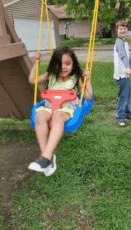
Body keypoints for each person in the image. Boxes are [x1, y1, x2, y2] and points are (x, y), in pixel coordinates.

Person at [28, 47, 92, 176]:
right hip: (49, 107)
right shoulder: (50, 75)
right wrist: (36, 63)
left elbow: (88, 96)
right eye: (59, 64)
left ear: (73, 64)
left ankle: (46, 157)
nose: (63, 67)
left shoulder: (75, 77)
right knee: (39, 116)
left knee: (57, 116)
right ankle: (47, 157)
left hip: (66, 110)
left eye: (67, 64)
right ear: (53, 65)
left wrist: (88, 79)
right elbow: (32, 81)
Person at [113, 20, 131, 127]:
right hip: (121, 75)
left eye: (125, 28)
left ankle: (127, 114)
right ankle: (120, 117)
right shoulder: (119, 42)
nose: (123, 30)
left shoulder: (124, 42)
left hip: (126, 74)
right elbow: (122, 55)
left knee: (127, 95)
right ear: (117, 30)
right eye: (121, 28)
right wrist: (127, 68)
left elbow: (127, 57)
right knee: (123, 96)